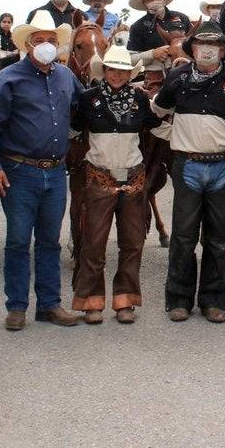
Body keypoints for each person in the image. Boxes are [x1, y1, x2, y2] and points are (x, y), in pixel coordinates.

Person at [153, 22, 225, 323]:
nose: (207, 49)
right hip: (187, 165)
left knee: (218, 238)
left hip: (223, 167)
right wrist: (173, 134)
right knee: (183, 236)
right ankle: (178, 300)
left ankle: (214, 300)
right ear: (192, 48)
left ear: (223, 50)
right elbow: (155, 113)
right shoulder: (176, 78)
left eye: (214, 45)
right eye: (202, 43)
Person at [0, 12, 84, 331]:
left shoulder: (66, 76)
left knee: (50, 241)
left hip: (55, 171)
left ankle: (50, 304)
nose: (47, 45)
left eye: (52, 40)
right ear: (27, 44)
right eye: (40, 40)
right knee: (18, 240)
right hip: (19, 169)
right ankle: (17, 306)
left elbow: (86, 106)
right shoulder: (8, 78)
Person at [70, 46, 159, 324]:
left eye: (123, 70)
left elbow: (158, 127)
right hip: (99, 176)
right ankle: (91, 301)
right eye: (112, 69)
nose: (117, 75)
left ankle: (125, 300)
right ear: (104, 71)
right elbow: (72, 130)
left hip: (133, 177)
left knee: (133, 242)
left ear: (129, 73)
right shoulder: (88, 99)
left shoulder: (141, 99)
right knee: (94, 242)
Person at [126, 0, 191, 94]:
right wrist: (152, 54)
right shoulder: (137, 27)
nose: (154, 1)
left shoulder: (182, 18)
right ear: (145, 4)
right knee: (154, 98)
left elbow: (195, 44)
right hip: (155, 72)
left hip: (186, 67)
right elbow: (129, 59)